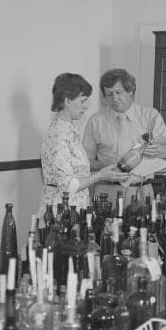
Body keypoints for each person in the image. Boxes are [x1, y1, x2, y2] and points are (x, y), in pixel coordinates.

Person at [82, 68, 166, 205]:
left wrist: (159, 150)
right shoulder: (95, 121)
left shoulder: (150, 116)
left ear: (131, 91)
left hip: (141, 191)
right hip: (106, 192)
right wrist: (107, 165)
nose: (114, 98)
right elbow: (85, 162)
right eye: (109, 94)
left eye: (118, 92)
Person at [39, 73, 127, 221]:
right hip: (61, 213)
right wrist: (101, 175)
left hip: (74, 209)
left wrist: (105, 167)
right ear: (67, 101)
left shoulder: (69, 130)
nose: (86, 107)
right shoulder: (58, 134)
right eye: (83, 101)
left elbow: (76, 172)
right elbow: (68, 185)